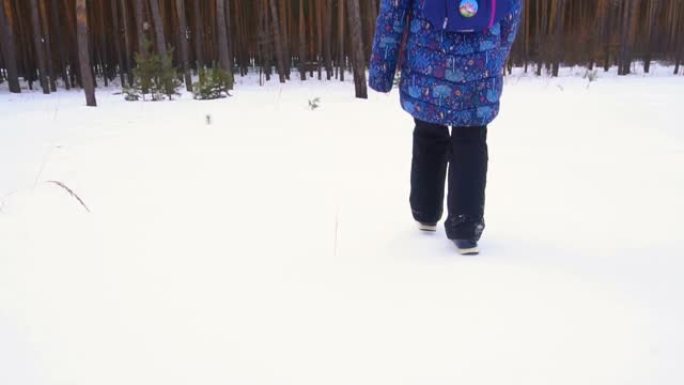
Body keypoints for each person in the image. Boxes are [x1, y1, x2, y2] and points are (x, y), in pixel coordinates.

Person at [368, 0, 522, 255]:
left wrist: (381, 71)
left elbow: (393, 12)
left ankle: (425, 212)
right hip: (480, 65)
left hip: (427, 61)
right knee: (471, 139)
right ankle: (466, 228)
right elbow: (511, 10)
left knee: (429, 132)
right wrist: (497, 55)